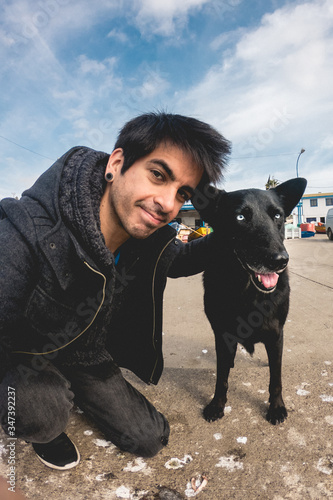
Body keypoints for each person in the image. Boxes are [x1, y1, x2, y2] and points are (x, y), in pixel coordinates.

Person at [0, 112, 231, 470]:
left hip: (85, 353)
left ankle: (70, 390)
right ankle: (45, 425)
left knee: (149, 439)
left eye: (181, 193)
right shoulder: (22, 235)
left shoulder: (146, 235)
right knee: (39, 410)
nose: (168, 204)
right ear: (118, 163)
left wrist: (241, 228)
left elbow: (182, 259)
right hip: (26, 359)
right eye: (158, 175)